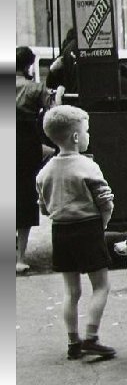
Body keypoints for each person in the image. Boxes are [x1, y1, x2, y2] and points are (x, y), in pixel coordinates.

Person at [36, 105, 116, 360]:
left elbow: (43, 206)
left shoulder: (44, 171)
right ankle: (91, 338)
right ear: (76, 137)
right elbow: (105, 201)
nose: (88, 135)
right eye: (87, 130)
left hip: (61, 231)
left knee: (71, 291)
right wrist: (102, 223)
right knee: (101, 286)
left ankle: (73, 342)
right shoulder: (88, 166)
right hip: (88, 228)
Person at [16, 46, 62, 274]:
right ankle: (20, 258)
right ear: (27, 66)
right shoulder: (35, 89)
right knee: (24, 197)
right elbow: (53, 113)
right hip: (25, 144)